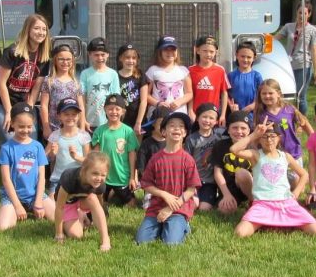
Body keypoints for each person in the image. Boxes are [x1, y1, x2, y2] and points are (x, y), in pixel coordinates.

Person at [229, 120, 316, 238]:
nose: (269, 140)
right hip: (262, 205)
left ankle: (283, 221)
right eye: (264, 137)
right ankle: (274, 222)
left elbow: (304, 174)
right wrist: (254, 135)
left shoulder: (285, 156)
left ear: (279, 138)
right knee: (240, 233)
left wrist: (296, 192)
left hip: (287, 203)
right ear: (259, 139)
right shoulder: (255, 155)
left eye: (272, 136)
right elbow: (234, 149)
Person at [136, 111, 200, 245]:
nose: (177, 128)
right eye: (172, 125)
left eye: (181, 126)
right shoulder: (156, 158)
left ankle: (183, 225)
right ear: (164, 132)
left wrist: (171, 208)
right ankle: (161, 225)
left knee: (171, 243)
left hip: (179, 208)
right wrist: (164, 195)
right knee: (141, 241)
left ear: (185, 133)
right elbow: (146, 184)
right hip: (156, 207)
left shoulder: (188, 160)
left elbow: (191, 189)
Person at [0, 14, 50, 141]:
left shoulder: (44, 57)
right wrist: (8, 111)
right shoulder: (12, 52)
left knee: (30, 140)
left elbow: (36, 87)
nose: (41, 32)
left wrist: (30, 107)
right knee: (12, 139)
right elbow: (1, 83)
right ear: (28, 29)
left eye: (44, 29)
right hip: (0, 102)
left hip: (22, 102)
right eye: (37, 28)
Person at [0, 103, 54, 231]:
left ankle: (43, 202)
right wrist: (17, 206)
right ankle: (9, 208)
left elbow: (42, 178)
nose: (26, 130)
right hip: (13, 197)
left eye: (29, 127)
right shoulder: (6, 148)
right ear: (12, 124)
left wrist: (38, 202)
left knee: (58, 218)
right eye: (21, 126)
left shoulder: (38, 146)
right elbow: (6, 180)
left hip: (35, 195)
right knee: (3, 227)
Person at [53, 151, 112, 252]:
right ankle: (80, 214)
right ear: (84, 170)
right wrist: (59, 234)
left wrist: (95, 219)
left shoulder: (100, 185)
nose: (99, 178)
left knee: (93, 199)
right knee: (76, 235)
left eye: (103, 175)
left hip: (83, 201)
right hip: (67, 203)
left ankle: (105, 239)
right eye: (95, 173)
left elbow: (99, 205)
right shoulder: (69, 178)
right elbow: (59, 207)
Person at [91, 94, 139, 206]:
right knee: (99, 203)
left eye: (117, 109)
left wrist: (132, 177)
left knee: (132, 205)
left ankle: (115, 193)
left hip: (122, 177)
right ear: (105, 110)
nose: (114, 112)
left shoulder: (128, 132)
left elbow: (132, 155)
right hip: (104, 177)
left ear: (123, 111)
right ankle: (110, 193)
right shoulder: (99, 131)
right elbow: (96, 156)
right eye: (110, 109)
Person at [136, 35, 192, 131]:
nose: (170, 53)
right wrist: (158, 103)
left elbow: (189, 93)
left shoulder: (183, 71)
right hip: (158, 117)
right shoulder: (152, 70)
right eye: (166, 50)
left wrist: (179, 102)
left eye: (173, 49)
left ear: (177, 52)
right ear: (160, 52)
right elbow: (146, 95)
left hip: (178, 114)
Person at [276, 1, 316, 115]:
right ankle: (287, 118)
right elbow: (275, 39)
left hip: (303, 66)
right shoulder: (288, 26)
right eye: (300, 13)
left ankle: (302, 122)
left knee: (300, 96)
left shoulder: (313, 30)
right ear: (296, 13)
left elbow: (314, 50)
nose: (302, 16)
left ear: (309, 14)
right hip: (288, 66)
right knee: (286, 94)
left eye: (305, 13)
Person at [255, 78, 313, 165]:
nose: (267, 96)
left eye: (270, 93)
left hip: (293, 154)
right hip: (273, 157)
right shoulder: (261, 115)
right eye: (264, 93)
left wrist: (314, 139)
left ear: (278, 94)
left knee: (297, 178)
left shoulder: (289, 109)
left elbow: (304, 123)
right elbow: (257, 137)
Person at [211, 110, 254, 214]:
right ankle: (236, 201)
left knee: (242, 173)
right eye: (235, 128)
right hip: (229, 188)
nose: (239, 131)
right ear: (228, 130)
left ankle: (253, 201)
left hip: (250, 187)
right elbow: (218, 173)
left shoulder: (254, 147)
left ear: (249, 131)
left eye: (243, 128)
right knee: (224, 210)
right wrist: (226, 194)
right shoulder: (220, 146)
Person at [46, 97, 91, 191]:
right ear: (59, 116)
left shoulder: (84, 136)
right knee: (52, 204)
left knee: (81, 204)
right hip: (58, 179)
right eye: (66, 114)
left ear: (78, 116)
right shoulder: (54, 136)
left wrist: (76, 157)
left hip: (77, 178)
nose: (70, 117)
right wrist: (52, 154)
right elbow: (44, 158)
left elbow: (88, 161)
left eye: (74, 114)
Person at [185, 102, 224, 211]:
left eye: (211, 118)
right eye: (204, 117)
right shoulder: (191, 138)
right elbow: (187, 162)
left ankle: (213, 199)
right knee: (194, 205)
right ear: (197, 118)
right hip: (194, 180)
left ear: (216, 121)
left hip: (210, 182)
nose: (207, 120)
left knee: (204, 208)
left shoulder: (219, 137)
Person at [40, 43, 84, 134]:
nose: (65, 62)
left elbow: (81, 106)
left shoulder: (76, 82)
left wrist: (82, 126)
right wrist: (46, 127)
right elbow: (44, 106)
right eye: (61, 59)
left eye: (68, 59)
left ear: (72, 61)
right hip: (54, 127)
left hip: (72, 127)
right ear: (55, 60)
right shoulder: (49, 81)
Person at [80, 37, 120, 132]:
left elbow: (116, 99)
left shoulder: (113, 74)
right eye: (96, 55)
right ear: (90, 55)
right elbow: (82, 98)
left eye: (103, 55)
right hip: (90, 122)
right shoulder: (85, 74)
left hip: (108, 122)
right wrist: (83, 120)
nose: (100, 58)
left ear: (108, 55)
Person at [188, 35, 229, 124]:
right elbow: (189, 93)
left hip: (213, 116)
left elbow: (224, 93)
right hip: (196, 115)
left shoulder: (220, 70)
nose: (208, 54)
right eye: (205, 51)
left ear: (216, 52)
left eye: (211, 51)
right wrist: (190, 111)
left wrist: (222, 115)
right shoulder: (190, 70)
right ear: (198, 51)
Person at [116, 43, 148, 136]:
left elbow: (144, 101)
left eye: (134, 58)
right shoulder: (115, 75)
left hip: (137, 120)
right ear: (120, 58)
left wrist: (138, 122)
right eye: (127, 58)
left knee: (136, 148)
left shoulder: (140, 75)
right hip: (120, 120)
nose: (131, 61)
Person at [227, 42, 263, 123]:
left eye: (249, 57)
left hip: (252, 114)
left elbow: (261, 95)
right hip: (235, 113)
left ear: (254, 58)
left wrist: (251, 107)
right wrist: (231, 105)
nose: (245, 60)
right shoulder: (231, 76)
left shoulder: (257, 76)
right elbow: (226, 94)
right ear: (236, 55)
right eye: (242, 56)